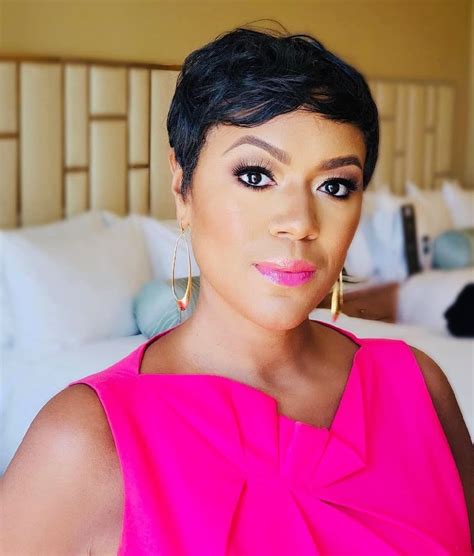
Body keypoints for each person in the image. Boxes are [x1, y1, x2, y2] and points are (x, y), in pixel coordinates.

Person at [1, 24, 472, 555]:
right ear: (182, 186)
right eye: (255, 176)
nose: (300, 223)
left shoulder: (420, 388)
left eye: (335, 185)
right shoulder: (85, 441)